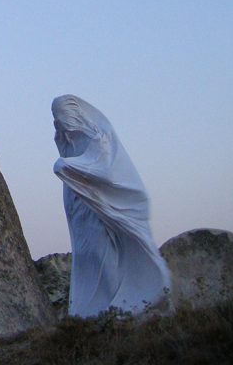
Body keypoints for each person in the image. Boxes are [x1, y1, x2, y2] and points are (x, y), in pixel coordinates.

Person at [52, 94, 170, 317]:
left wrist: (66, 166)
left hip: (100, 215)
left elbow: (103, 170)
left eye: (62, 116)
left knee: (104, 261)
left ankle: (117, 309)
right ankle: (89, 314)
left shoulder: (98, 138)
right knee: (89, 261)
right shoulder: (68, 140)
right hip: (82, 216)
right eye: (56, 118)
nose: (59, 123)